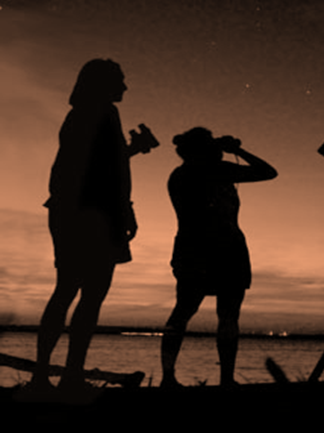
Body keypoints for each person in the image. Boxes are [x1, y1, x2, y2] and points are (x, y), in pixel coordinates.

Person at [30, 59, 155, 391]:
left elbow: (97, 163)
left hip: (72, 210)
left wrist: (131, 151)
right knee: (90, 294)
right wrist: (124, 210)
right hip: (95, 213)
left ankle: (44, 375)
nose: (125, 87)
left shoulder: (80, 114)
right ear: (102, 83)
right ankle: (69, 375)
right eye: (120, 80)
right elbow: (104, 172)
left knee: (67, 290)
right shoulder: (105, 113)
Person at [161, 127, 277, 388]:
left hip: (197, 249)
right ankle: (224, 379)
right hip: (222, 249)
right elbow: (268, 172)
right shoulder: (214, 170)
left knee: (184, 312)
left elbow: (268, 173)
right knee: (224, 315)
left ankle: (169, 376)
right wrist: (237, 151)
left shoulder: (180, 174)